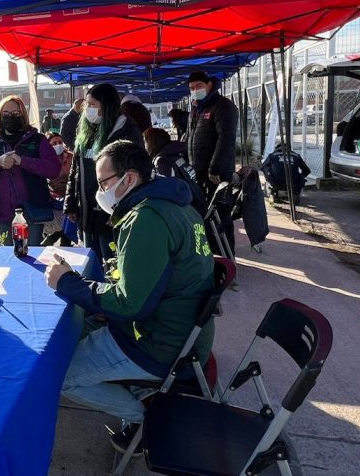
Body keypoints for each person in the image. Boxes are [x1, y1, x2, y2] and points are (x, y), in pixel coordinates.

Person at [45, 140, 215, 453]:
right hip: (180, 330)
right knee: (76, 330)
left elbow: (130, 304)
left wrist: (68, 282)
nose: (99, 191)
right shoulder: (176, 205)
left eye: (103, 182)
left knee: (57, 372)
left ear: (130, 178)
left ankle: (142, 419)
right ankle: (137, 396)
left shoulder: (146, 219)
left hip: (158, 342)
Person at [64, 83, 143, 261]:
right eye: (87, 105)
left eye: (93, 105)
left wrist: (122, 210)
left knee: (112, 264)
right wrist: (70, 202)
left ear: (107, 106)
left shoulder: (127, 130)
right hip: (87, 212)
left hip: (112, 214)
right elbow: (75, 171)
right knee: (90, 263)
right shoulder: (86, 132)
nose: (88, 110)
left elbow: (138, 174)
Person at [0, 95, 61, 247]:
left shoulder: (38, 140)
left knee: (31, 252)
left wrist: (23, 161)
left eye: (15, 113)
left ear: (23, 115)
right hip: (3, 213)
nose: (10, 117)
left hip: (33, 211)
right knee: (10, 255)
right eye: (5, 113)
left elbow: (54, 169)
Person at [187, 71, 239, 255]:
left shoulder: (223, 106)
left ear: (209, 84)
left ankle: (226, 256)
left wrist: (215, 167)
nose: (195, 91)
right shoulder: (197, 108)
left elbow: (226, 139)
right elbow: (191, 138)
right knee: (203, 214)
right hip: (198, 171)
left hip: (217, 173)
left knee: (221, 214)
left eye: (199, 86)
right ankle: (209, 255)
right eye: (192, 88)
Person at [144, 127, 207, 218]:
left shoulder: (162, 161)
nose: (144, 146)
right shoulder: (176, 154)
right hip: (198, 202)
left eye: (145, 142)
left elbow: (167, 193)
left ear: (151, 143)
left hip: (189, 211)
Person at [43, 132, 75, 246]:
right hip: (53, 200)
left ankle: (52, 245)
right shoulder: (44, 160)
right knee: (61, 227)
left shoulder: (71, 157)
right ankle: (47, 244)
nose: (58, 145)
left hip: (69, 198)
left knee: (65, 229)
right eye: (54, 143)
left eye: (60, 142)